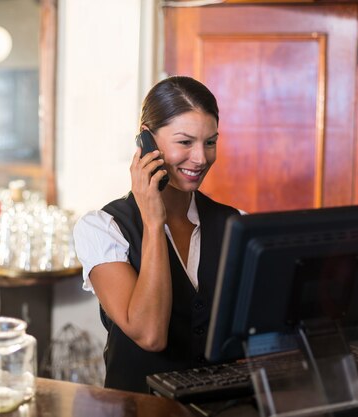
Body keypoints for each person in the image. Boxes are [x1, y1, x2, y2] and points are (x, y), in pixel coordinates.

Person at [74, 76, 240, 393]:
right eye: (185, 142)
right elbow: (149, 334)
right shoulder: (102, 229)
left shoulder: (235, 223)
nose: (201, 158)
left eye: (210, 142)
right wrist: (153, 223)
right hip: (138, 409)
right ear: (146, 141)